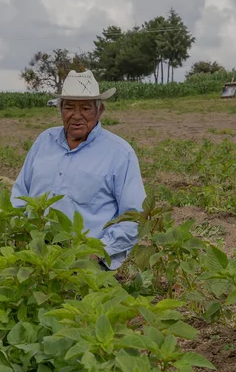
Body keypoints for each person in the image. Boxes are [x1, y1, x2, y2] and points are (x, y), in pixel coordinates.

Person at [11, 70, 146, 271]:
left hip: (86, 263)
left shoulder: (119, 153)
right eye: (69, 107)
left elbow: (133, 217)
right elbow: (20, 194)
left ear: (100, 111)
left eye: (85, 108)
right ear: (60, 110)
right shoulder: (44, 141)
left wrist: (97, 253)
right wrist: (18, 235)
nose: (76, 116)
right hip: (36, 257)